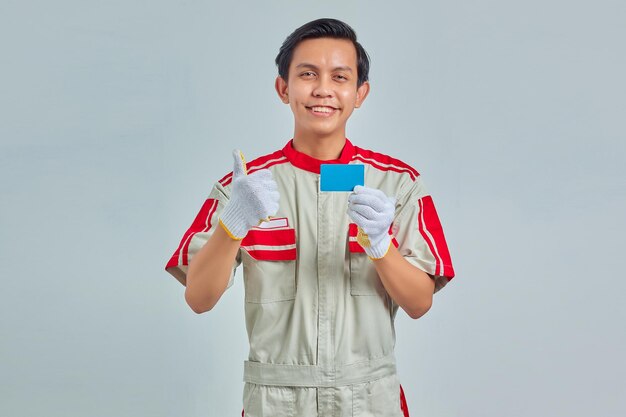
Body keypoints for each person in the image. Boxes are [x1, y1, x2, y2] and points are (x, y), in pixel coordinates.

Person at [164, 17, 456, 417]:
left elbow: (420, 302)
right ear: (283, 88)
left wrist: (381, 245)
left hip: (368, 399)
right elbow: (198, 298)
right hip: (276, 401)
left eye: (340, 77)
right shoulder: (248, 187)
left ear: (360, 93)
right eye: (307, 74)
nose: (323, 90)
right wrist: (233, 225)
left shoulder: (396, 184)